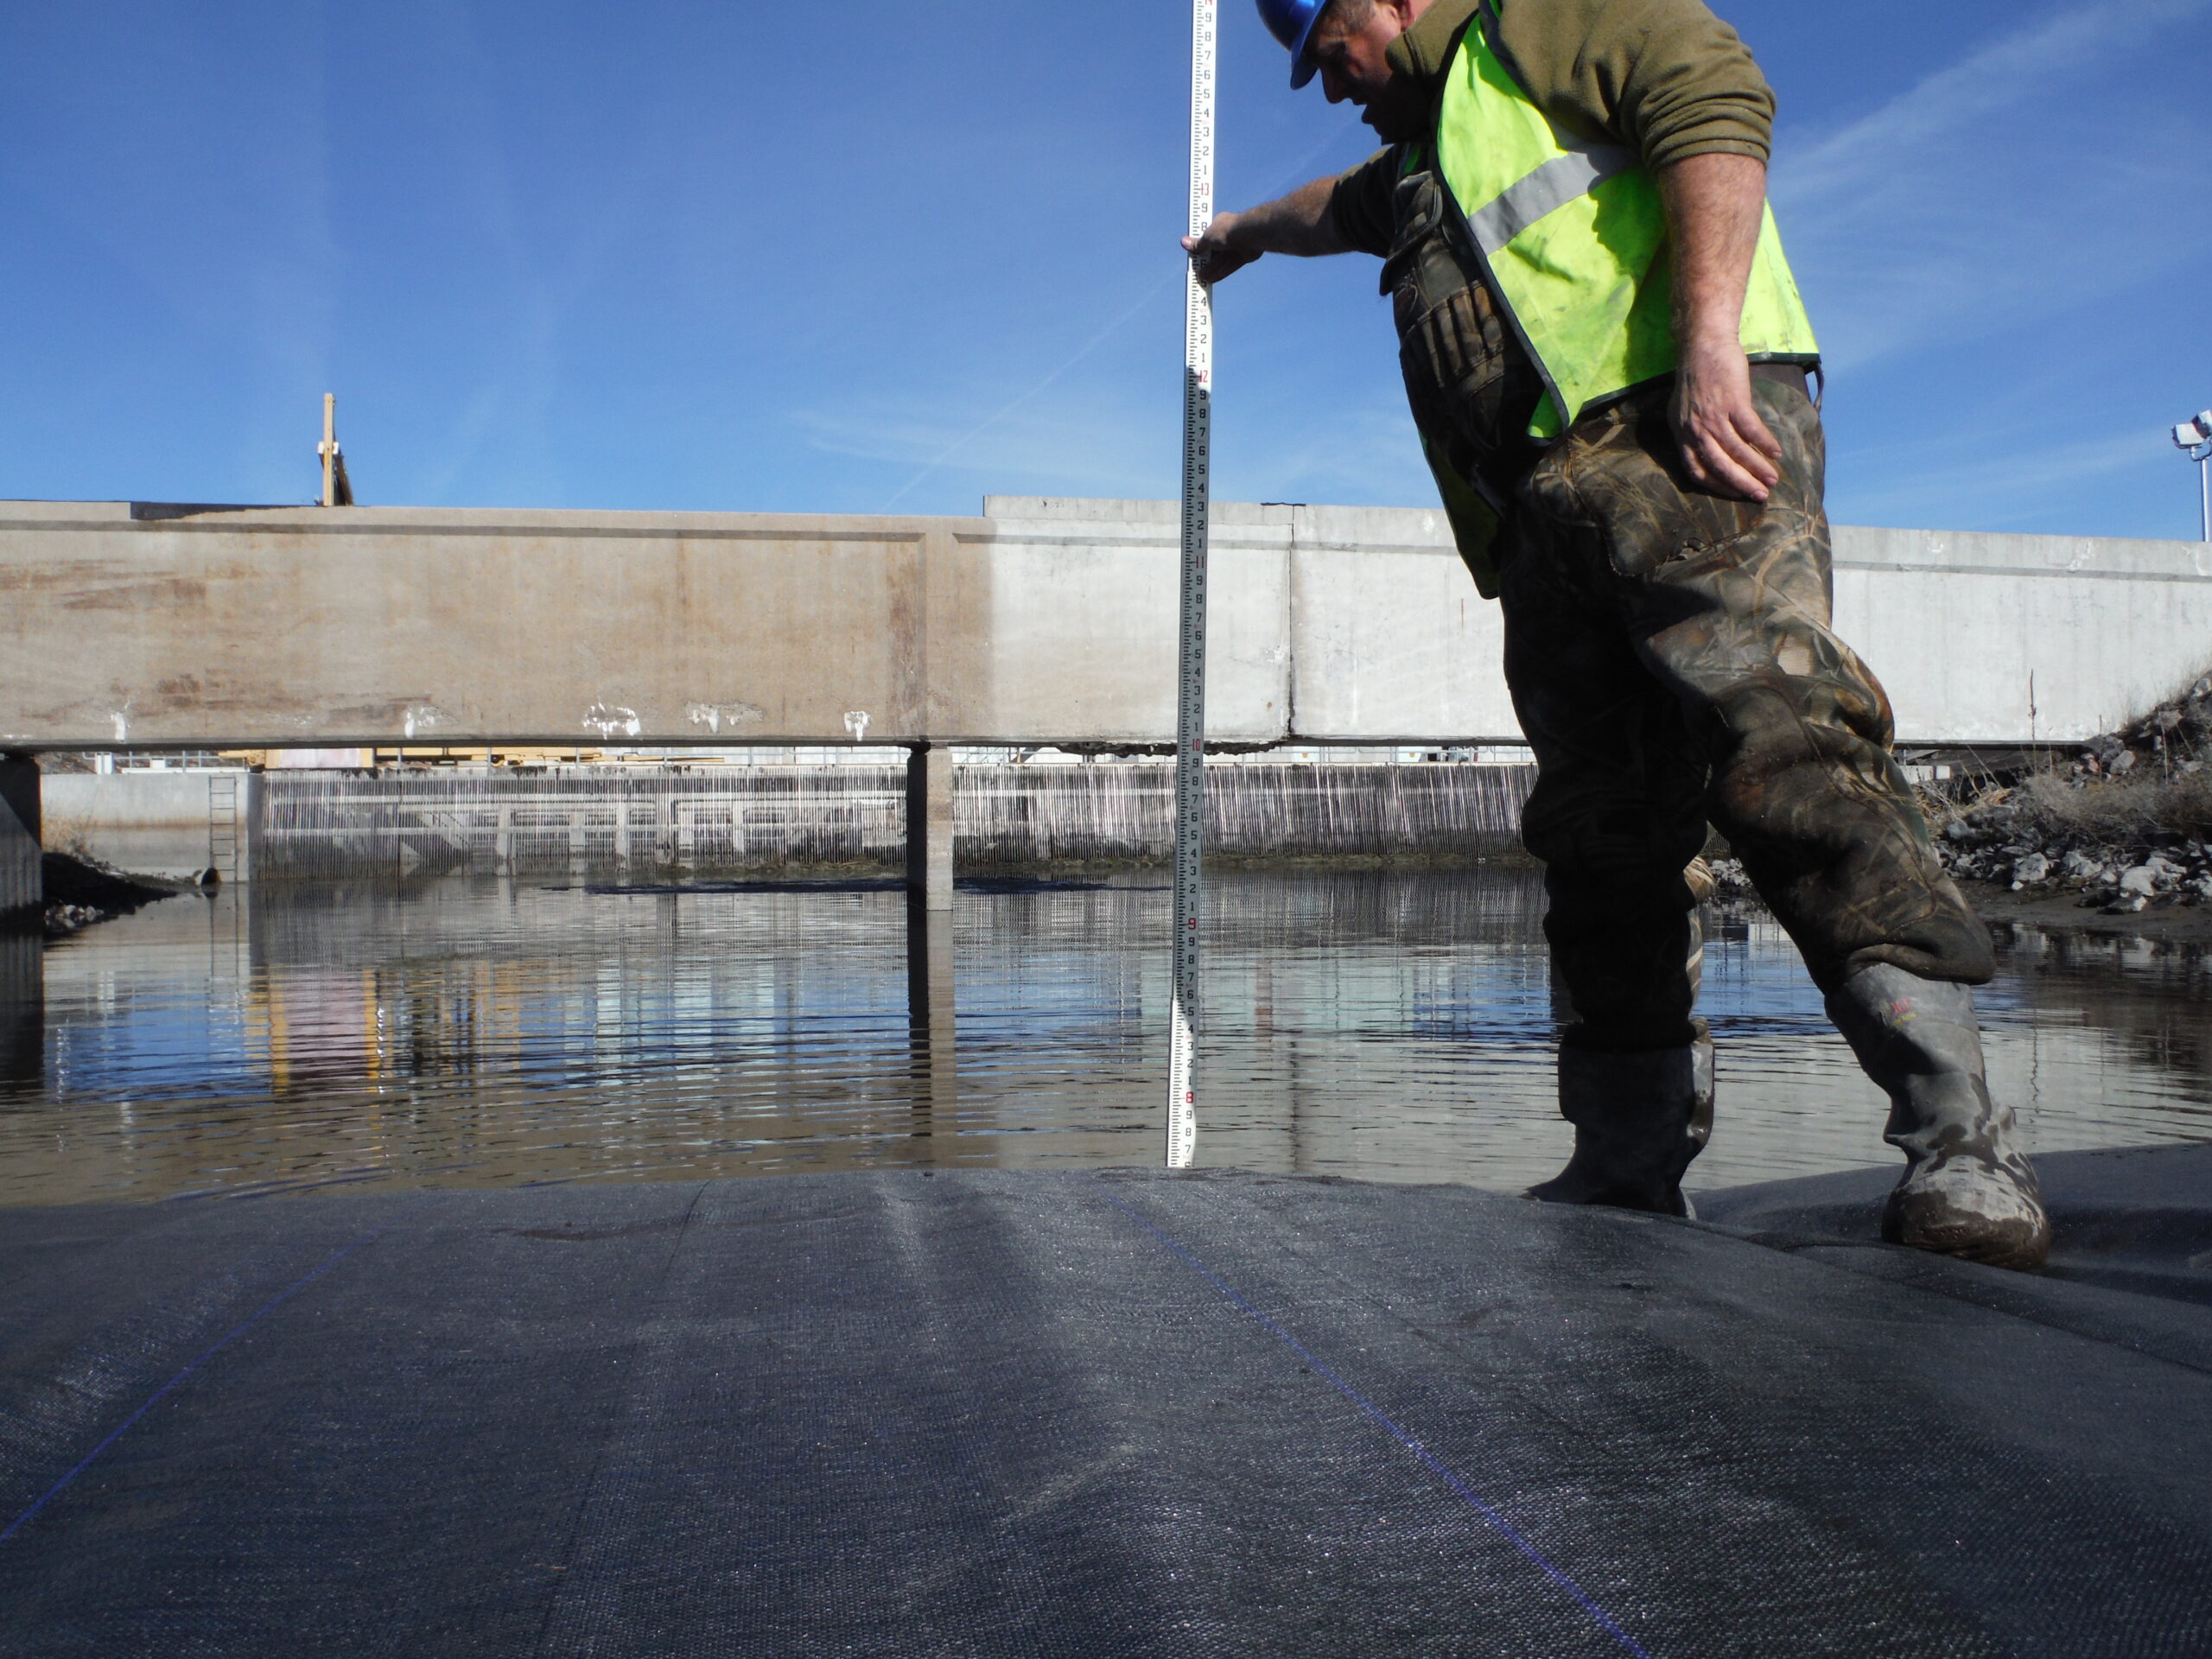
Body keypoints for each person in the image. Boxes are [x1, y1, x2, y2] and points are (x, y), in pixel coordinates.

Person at [1185, 0, 2050, 1269]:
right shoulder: (1429, 155)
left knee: (1783, 752)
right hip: (1545, 504)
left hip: (1682, 435)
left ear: (1385, 2)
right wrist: (1237, 237)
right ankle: (1627, 1162)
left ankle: (1960, 1145)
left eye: (1324, 53)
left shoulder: (1534, 17)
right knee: (1600, 830)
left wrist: (1711, 348)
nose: (1326, 85)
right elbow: (1331, 206)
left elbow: (1710, 101)